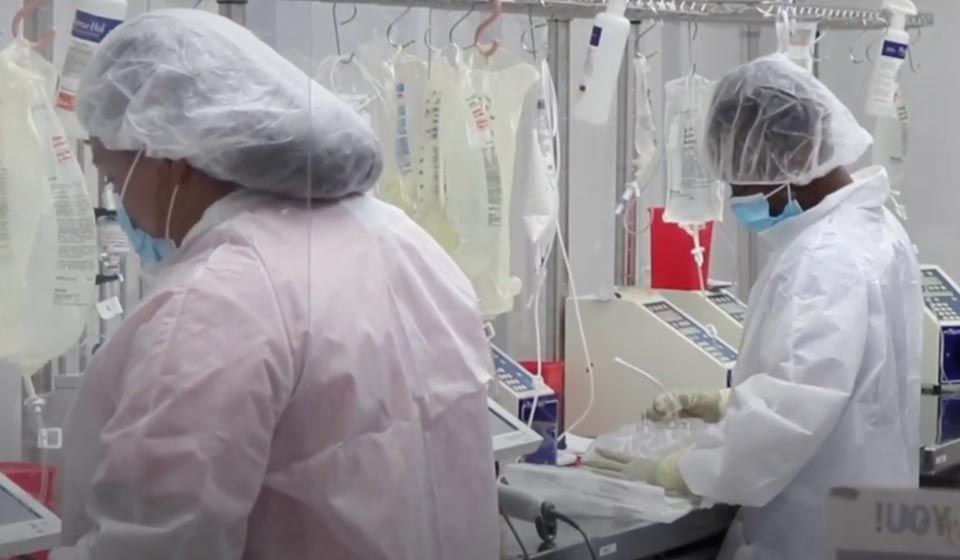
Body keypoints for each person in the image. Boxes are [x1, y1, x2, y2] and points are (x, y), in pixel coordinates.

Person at [51, 10, 499, 560]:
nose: (123, 205)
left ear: (169, 157)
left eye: (116, 175)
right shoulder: (408, 245)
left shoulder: (219, 298)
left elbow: (158, 543)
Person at [641, 54, 923, 559]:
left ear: (791, 161)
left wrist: (683, 470)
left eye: (742, 179)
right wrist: (731, 403)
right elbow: (846, 382)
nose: (736, 196)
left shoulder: (822, 260)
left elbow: (788, 417)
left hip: (813, 533)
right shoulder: (878, 230)